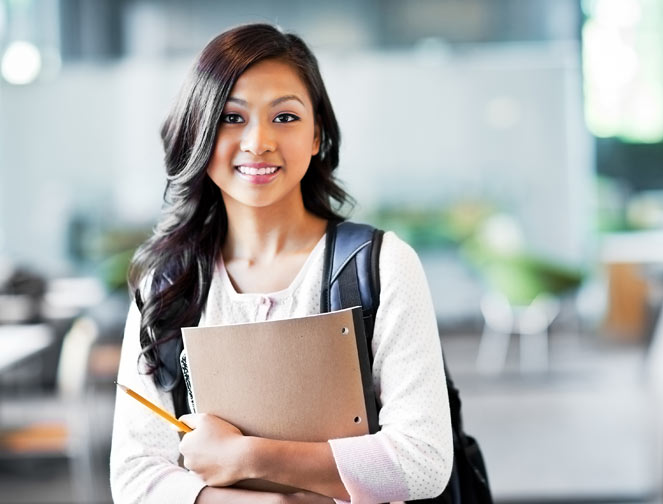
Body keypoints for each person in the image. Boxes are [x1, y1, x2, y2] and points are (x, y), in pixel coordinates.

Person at [110, 23, 452, 504]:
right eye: (231, 117)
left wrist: (248, 457)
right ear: (199, 133)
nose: (258, 142)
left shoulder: (381, 265)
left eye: (285, 117)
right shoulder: (167, 283)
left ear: (317, 136)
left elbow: (422, 462)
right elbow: (134, 477)